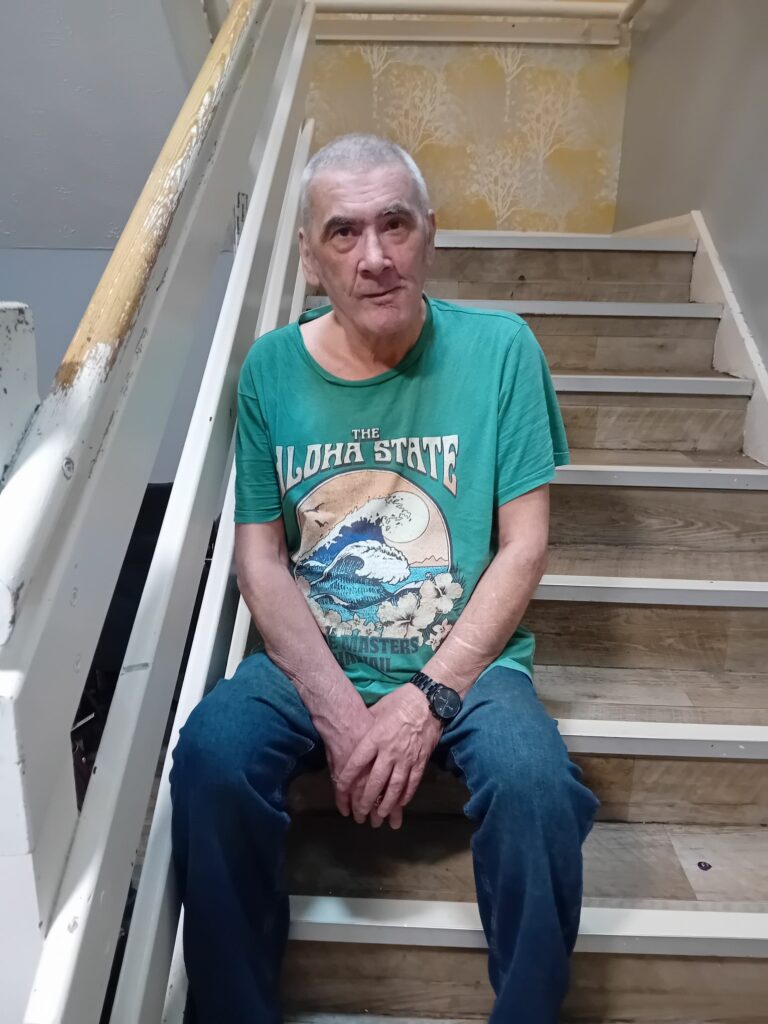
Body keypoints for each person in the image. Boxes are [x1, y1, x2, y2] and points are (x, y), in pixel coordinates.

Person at [170, 133, 600, 1024]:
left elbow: (524, 547)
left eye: (394, 225)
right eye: (344, 231)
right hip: (311, 655)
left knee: (537, 786)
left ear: (429, 234)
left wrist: (424, 701)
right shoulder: (270, 370)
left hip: (470, 662)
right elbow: (260, 557)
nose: (374, 256)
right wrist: (335, 704)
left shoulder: (502, 351)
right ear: (309, 256)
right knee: (211, 757)